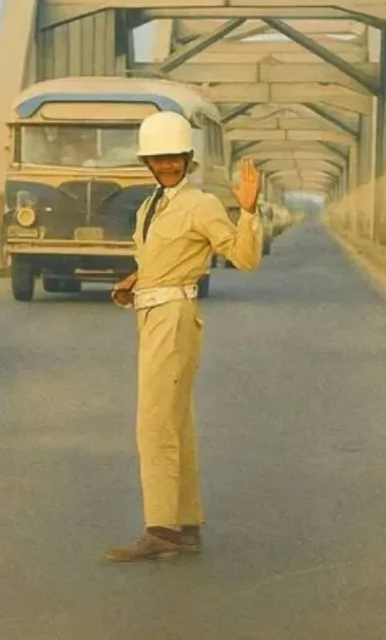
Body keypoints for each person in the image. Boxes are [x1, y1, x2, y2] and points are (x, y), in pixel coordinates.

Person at [104, 111, 263, 562]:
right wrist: (136, 280)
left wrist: (248, 210)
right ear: (147, 162)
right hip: (154, 311)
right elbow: (165, 256)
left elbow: (244, 257)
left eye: (175, 158)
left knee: (154, 424)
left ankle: (161, 531)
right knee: (177, 422)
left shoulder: (201, 204)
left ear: (188, 158)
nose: (167, 165)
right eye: (158, 159)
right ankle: (186, 524)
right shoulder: (152, 204)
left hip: (173, 316)